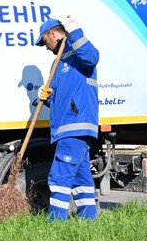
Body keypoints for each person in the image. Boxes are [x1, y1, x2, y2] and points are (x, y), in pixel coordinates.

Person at [35, 14, 100, 220]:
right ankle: (88, 222)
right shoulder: (58, 62)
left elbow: (92, 57)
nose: (46, 47)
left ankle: (56, 224)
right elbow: (59, 97)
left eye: (45, 41)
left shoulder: (78, 54)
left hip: (76, 125)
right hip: (66, 128)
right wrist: (45, 96)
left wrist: (75, 33)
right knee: (81, 180)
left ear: (53, 33)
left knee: (59, 176)